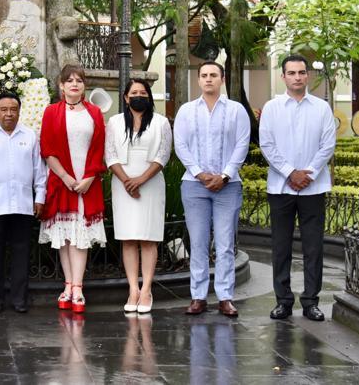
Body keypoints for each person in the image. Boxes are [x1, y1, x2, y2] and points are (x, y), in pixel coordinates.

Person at [259, 54, 337, 322]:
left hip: (313, 188)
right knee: (281, 246)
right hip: (281, 187)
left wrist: (309, 173)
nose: (297, 77)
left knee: (313, 247)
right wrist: (291, 173)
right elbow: (267, 145)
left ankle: (311, 301)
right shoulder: (271, 108)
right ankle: (283, 300)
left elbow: (328, 145)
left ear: (308, 75)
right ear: (283, 77)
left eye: (301, 72)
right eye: (291, 73)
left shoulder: (321, 108)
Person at [174, 61, 250, 318]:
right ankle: (198, 296)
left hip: (228, 187)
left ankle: (225, 297)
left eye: (213, 75)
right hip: (195, 185)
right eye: (204, 75)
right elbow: (180, 145)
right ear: (198, 80)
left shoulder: (236, 110)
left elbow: (242, 144)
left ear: (222, 79)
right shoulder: (186, 111)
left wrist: (226, 175)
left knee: (226, 243)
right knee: (198, 242)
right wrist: (199, 173)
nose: (208, 79)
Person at [38, 64, 107, 313]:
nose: (74, 84)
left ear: (84, 85)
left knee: (81, 238)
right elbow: (47, 149)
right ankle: (67, 285)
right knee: (65, 237)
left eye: (79, 80)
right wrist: (66, 177)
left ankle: (78, 288)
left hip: (87, 182)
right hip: (61, 180)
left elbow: (100, 147)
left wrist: (89, 177)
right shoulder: (51, 112)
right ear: (62, 85)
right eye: (69, 80)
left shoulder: (95, 113)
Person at [0, 91, 47, 314]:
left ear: (19, 111)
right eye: (4, 110)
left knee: (21, 253)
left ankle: (19, 299)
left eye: (13, 110)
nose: (9, 114)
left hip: (23, 205)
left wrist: (39, 197)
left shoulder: (30, 136)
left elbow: (38, 172)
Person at [105, 79, 171, 314]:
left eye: (143, 92)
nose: (138, 95)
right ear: (125, 97)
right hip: (123, 184)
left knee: (148, 238)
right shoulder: (113, 122)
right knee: (129, 238)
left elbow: (163, 155)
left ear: (149, 96)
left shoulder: (161, 122)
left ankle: (146, 290)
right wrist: (126, 181)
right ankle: (133, 289)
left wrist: (140, 180)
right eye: (134, 92)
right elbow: (110, 155)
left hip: (150, 184)